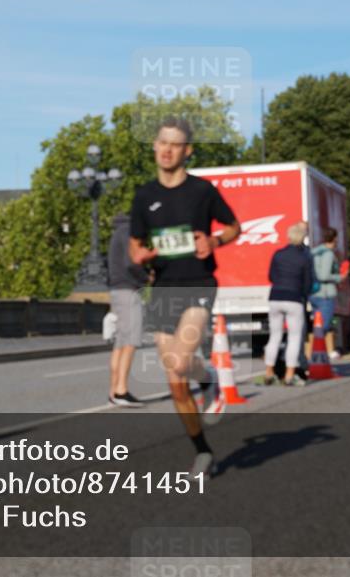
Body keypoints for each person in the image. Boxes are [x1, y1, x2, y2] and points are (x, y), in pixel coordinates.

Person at [129, 116, 240, 478]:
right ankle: (203, 451)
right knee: (176, 384)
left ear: (187, 151)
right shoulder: (144, 195)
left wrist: (215, 241)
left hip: (197, 284)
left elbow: (234, 226)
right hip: (162, 288)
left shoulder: (202, 191)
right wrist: (141, 256)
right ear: (154, 146)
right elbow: (135, 247)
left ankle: (207, 378)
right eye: (162, 142)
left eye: (174, 144)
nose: (166, 149)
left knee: (178, 362)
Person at [261, 222, 313, 387]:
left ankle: (269, 372)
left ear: (289, 236)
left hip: (275, 296)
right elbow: (308, 282)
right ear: (303, 238)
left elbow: (271, 276)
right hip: (294, 298)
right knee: (294, 337)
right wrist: (303, 294)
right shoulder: (305, 257)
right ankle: (289, 375)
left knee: (274, 336)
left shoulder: (278, 254)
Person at [106, 213, 149, 408]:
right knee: (130, 341)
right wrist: (147, 278)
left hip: (116, 289)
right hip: (128, 290)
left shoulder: (118, 232)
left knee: (120, 343)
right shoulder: (130, 232)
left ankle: (113, 390)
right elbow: (132, 262)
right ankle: (121, 391)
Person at [309, 227, 346, 361]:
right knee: (323, 326)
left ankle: (320, 352)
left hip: (313, 293)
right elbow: (324, 275)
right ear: (334, 239)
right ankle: (315, 352)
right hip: (325, 294)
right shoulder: (328, 254)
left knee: (318, 324)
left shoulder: (315, 252)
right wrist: (340, 277)